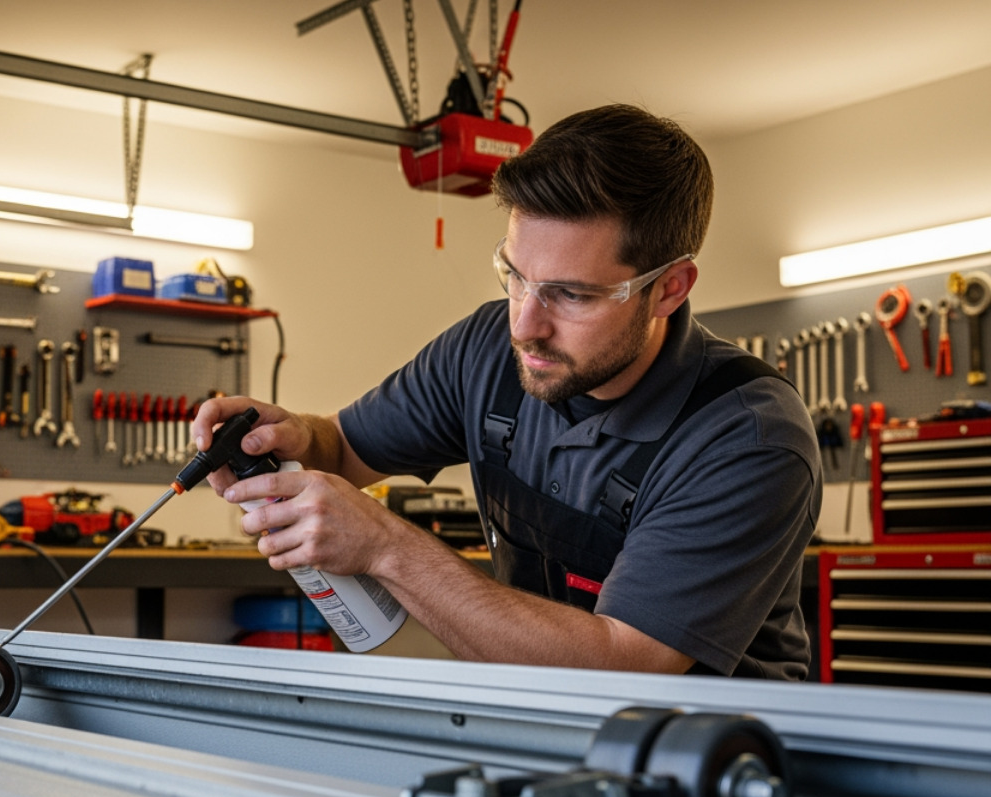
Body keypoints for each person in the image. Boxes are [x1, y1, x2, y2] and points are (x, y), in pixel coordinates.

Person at [193, 104, 820, 679]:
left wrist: (387, 548)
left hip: (709, 768)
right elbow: (342, 448)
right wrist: (296, 437)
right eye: (516, 277)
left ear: (670, 288)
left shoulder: (746, 436)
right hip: (541, 734)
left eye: (572, 294)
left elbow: (625, 666)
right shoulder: (487, 348)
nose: (525, 326)